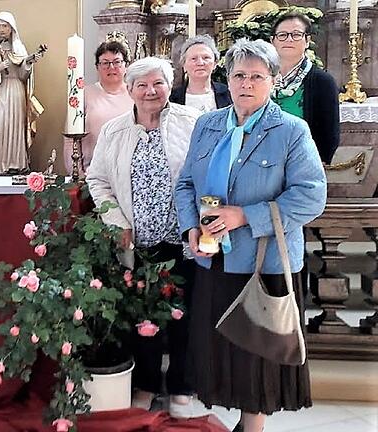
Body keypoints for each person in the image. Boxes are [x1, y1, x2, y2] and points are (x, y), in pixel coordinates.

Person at [174, 38, 326, 432]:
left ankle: (253, 425)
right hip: (215, 256)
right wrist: (191, 224)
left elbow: (311, 196)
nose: (246, 83)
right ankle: (240, 421)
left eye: (257, 76)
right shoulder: (207, 125)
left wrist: (246, 216)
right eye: (239, 75)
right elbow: (186, 184)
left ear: (273, 81)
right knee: (221, 352)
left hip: (266, 262)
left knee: (257, 356)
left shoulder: (292, 130)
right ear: (228, 78)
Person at [85, 57, 200, 418]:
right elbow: (98, 180)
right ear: (131, 90)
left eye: (158, 83)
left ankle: (181, 385)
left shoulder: (192, 123)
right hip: (138, 243)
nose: (151, 91)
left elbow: (206, 174)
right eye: (142, 85)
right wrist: (116, 220)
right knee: (142, 317)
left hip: (182, 239)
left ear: (170, 85)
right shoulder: (115, 130)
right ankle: (148, 384)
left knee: (184, 315)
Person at [0, 11, 44, 173]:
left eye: (4, 26)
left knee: (15, 127)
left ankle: (16, 164)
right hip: (0, 90)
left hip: (16, 91)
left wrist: (28, 63)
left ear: (11, 28)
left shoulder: (19, 48)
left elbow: (23, 75)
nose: (2, 29)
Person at [270, 12, 339, 164]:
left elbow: (330, 135)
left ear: (307, 40)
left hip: (303, 163)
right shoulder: (262, 76)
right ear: (273, 41)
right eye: (282, 35)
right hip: (262, 162)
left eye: (296, 34)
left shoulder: (322, 81)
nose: (289, 39)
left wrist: (314, 166)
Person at [62, 40, 134, 173]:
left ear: (126, 66)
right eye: (105, 63)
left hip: (130, 172)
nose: (111, 67)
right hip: (93, 173)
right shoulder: (83, 95)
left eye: (117, 62)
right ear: (97, 67)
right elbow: (70, 140)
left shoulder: (135, 95)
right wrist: (77, 174)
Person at [170, 35, 232, 113]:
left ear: (215, 63)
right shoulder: (172, 98)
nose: (200, 63)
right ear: (184, 65)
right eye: (194, 59)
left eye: (206, 58)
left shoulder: (229, 94)